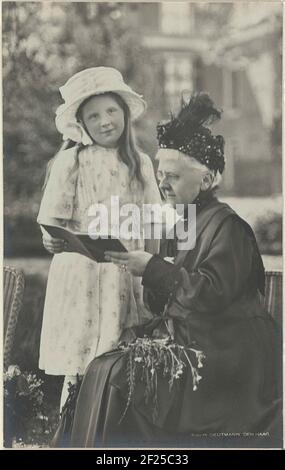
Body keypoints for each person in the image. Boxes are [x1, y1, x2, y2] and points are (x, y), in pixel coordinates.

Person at [54, 92, 282, 448]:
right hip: (197, 339)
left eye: (174, 176)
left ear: (206, 181)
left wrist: (156, 268)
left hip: (229, 354)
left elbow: (210, 294)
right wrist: (145, 267)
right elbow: (170, 295)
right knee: (104, 365)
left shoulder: (229, 226)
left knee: (117, 375)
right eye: (161, 174)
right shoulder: (183, 222)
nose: (163, 183)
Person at [37, 67, 161, 410]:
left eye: (111, 111)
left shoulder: (140, 163)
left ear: (124, 113)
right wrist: (51, 241)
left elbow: (153, 221)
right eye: (94, 116)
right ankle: (72, 426)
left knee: (120, 352)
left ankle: (113, 423)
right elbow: (51, 221)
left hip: (125, 272)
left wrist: (151, 268)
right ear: (82, 125)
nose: (105, 121)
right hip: (83, 274)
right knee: (81, 356)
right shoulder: (71, 161)